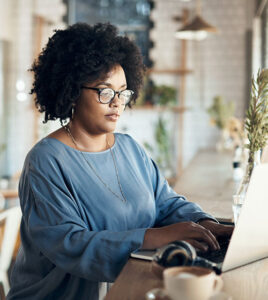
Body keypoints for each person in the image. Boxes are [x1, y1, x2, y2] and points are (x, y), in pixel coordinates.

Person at [7, 23, 233, 300]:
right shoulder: (45, 161)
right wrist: (152, 237)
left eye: (123, 92)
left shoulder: (129, 148)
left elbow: (165, 202)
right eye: (105, 91)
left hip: (126, 283)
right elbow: (69, 244)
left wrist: (204, 223)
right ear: (72, 91)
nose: (117, 103)